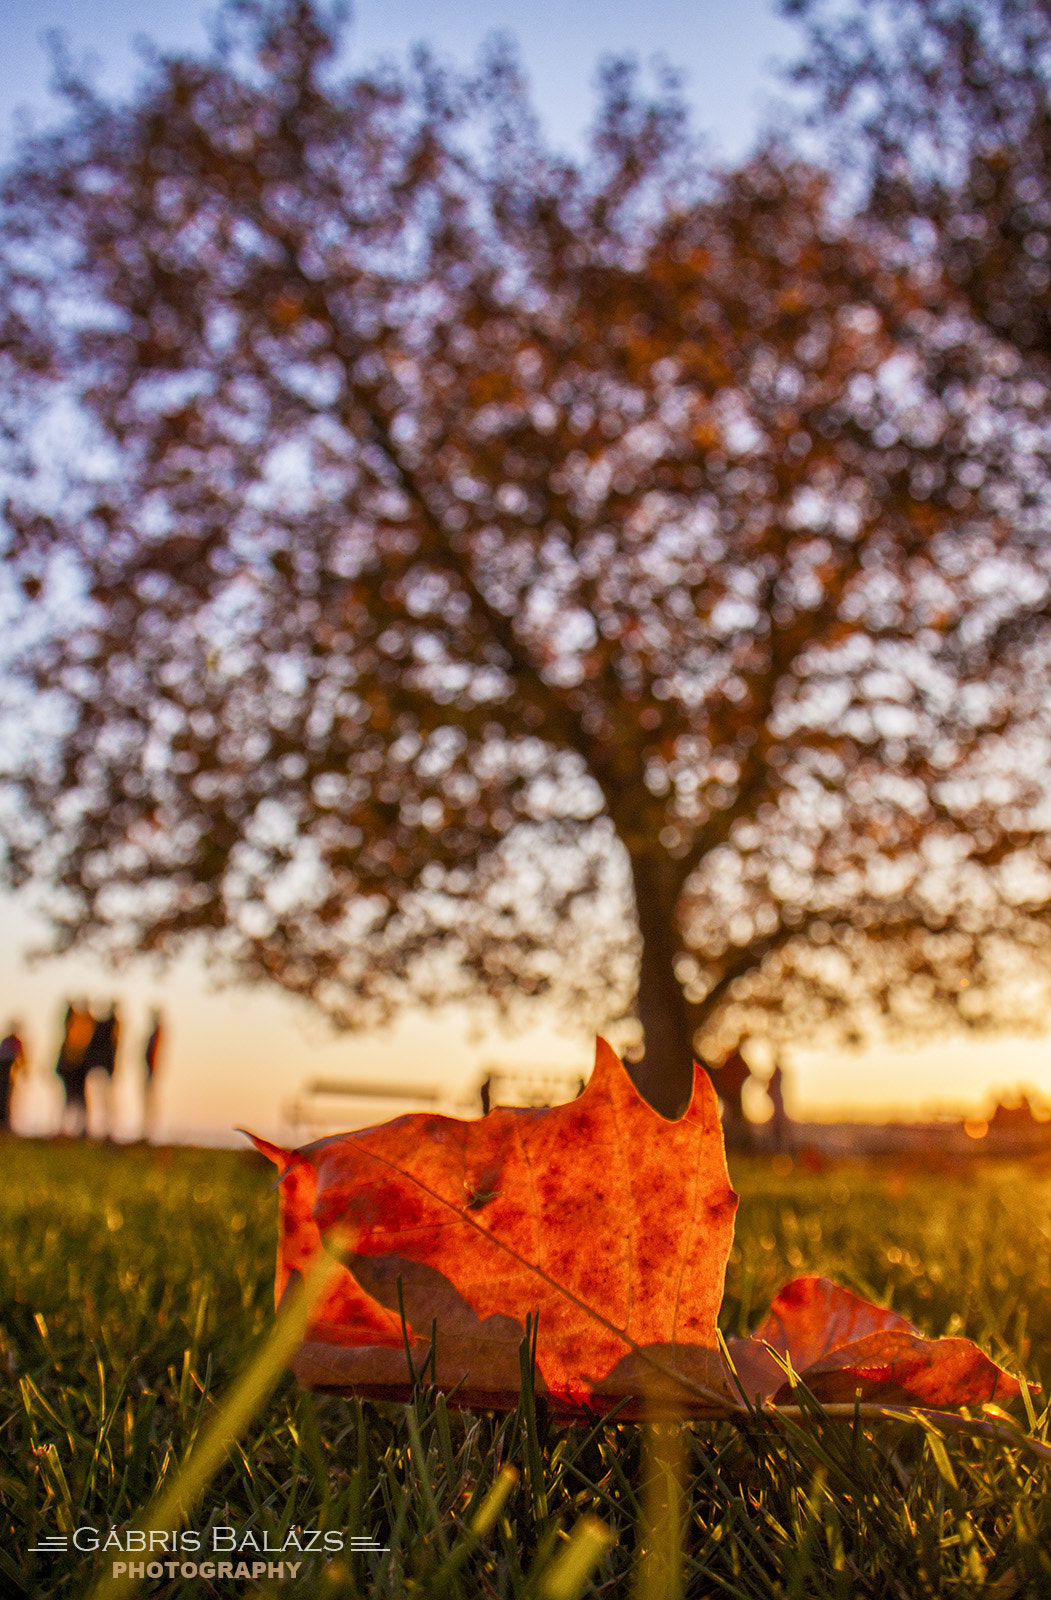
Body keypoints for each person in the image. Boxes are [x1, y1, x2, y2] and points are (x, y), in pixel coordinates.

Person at [56, 1001, 95, 1136]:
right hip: (71, 1066)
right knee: (72, 1098)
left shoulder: (83, 1025)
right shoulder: (77, 1025)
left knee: (77, 1098)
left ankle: (80, 1127)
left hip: (76, 1066)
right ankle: (71, 1127)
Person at [81, 1004, 119, 1137]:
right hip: (102, 1068)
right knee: (101, 1099)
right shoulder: (109, 1028)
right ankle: (102, 1129)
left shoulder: (103, 1028)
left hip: (100, 1068)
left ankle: (106, 1129)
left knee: (102, 1099)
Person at [714, 1045, 753, 1153]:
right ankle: (730, 1144)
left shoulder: (732, 1061)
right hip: (731, 1094)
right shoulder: (732, 1061)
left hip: (733, 1094)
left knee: (735, 1119)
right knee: (733, 1119)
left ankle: (737, 1145)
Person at [0, 1024, 25, 1132]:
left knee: (6, 1099)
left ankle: (5, 1124)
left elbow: (21, 1059)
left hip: (8, 1075)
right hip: (5, 1075)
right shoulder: (12, 1041)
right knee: (5, 1098)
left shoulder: (13, 1041)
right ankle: (4, 1124)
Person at [143, 1010, 163, 1139]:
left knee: (150, 1100)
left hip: (151, 1071)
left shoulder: (156, 1033)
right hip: (149, 1070)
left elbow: (152, 1053)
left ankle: (150, 1131)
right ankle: (148, 1130)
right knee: (148, 1100)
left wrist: (151, 1069)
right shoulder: (155, 1033)